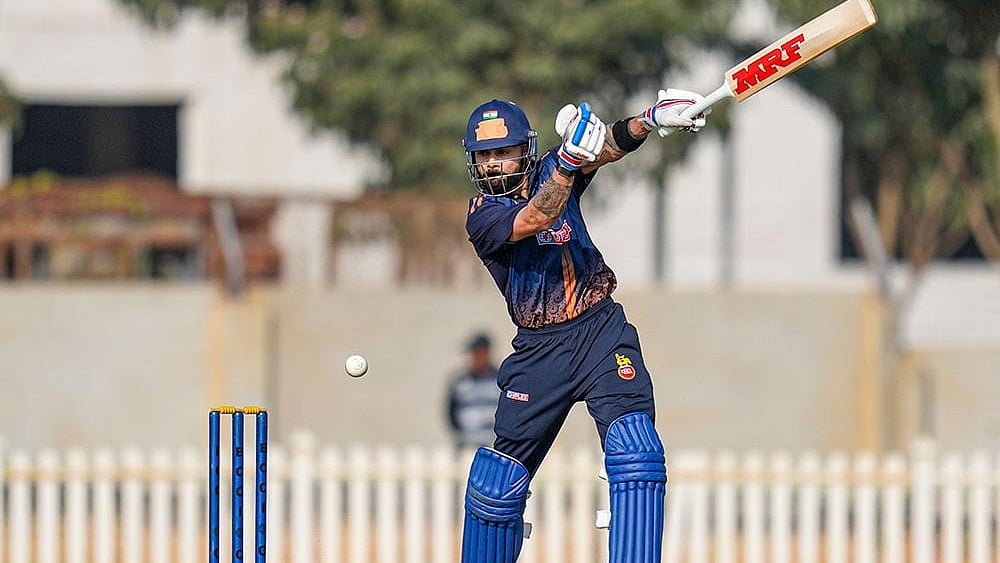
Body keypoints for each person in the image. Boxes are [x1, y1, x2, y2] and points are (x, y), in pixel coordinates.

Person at [458, 91, 709, 563]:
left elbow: (608, 143)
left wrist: (651, 120)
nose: (493, 164)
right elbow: (539, 214)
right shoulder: (482, 216)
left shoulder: (553, 169)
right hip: (539, 351)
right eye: (484, 155)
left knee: (637, 452)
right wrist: (570, 162)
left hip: (600, 331)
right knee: (497, 486)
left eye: (502, 151)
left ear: (524, 149)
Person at [446, 331, 501, 449]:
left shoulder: (500, 380)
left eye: (478, 353)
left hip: (493, 446)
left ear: (487, 353)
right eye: (473, 353)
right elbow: (451, 413)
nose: (475, 358)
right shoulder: (460, 382)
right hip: (467, 445)